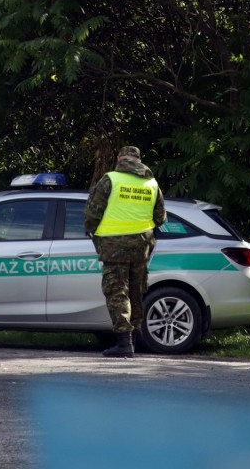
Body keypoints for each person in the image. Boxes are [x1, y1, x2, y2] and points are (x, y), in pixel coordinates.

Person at [84, 145, 166, 358]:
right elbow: (160, 218)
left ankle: (123, 343)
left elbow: (93, 212)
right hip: (142, 245)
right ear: (138, 161)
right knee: (136, 292)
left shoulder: (111, 179)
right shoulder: (152, 183)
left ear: (120, 159)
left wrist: (91, 230)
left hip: (114, 246)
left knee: (117, 292)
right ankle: (134, 341)